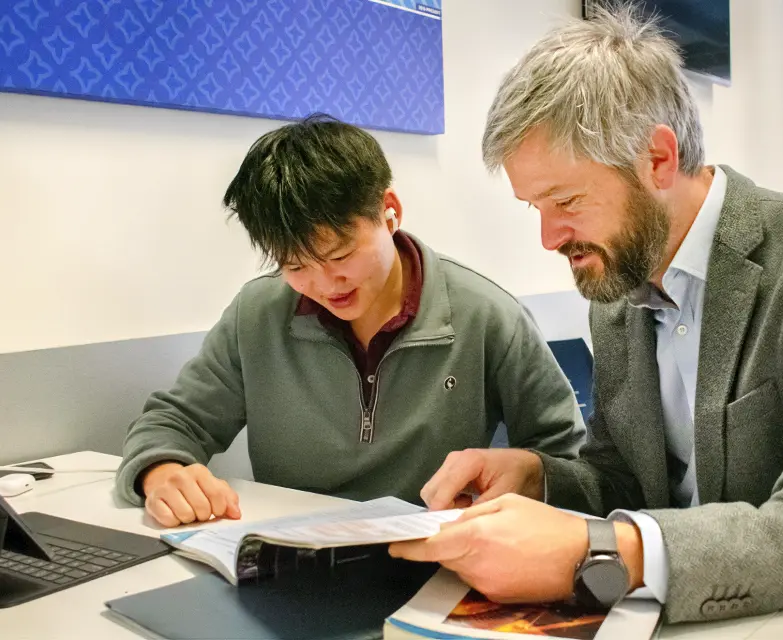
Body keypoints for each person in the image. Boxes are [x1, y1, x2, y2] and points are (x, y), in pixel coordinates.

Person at [389, 7, 783, 623]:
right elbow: (628, 479)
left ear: (658, 159)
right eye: (536, 208)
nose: (550, 238)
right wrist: (539, 479)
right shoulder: (617, 290)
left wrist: (610, 551)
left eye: (568, 200)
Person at [114, 114, 586, 527]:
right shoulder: (256, 315)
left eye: (340, 254)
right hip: (292, 561)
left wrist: (518, 481)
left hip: (435, 560)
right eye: (295, 266)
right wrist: (163, 471)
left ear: (390, 212)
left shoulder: (486, 315)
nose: (325, 283)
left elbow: (564, 455)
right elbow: (174, 421)